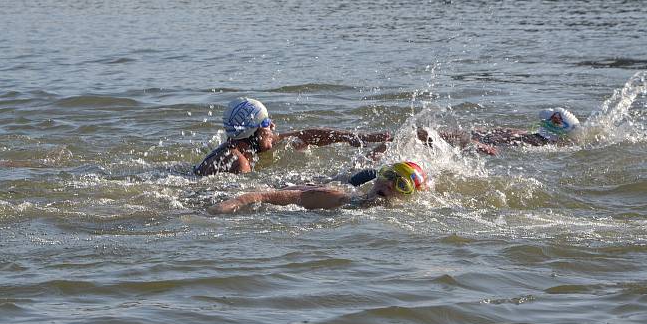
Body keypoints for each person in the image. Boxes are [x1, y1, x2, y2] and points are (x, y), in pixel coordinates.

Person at [194, 97, 392, 176]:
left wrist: (360, 138)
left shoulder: (241, 145)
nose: (272, 125)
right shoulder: (238, 162)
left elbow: (305, 135)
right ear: (252, 131)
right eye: (266, 123)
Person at [207, 161, 427, 214]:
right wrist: (234, 203)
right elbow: (263, 195)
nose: (389, 183)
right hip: (292, 186)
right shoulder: (335, 198)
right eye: (388, 175)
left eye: (401, 184)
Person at [418, 107, 581, 155]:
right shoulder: (538, 141)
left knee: (444, 135)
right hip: (484, 140)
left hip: (484, 139)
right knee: (453, 137)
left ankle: (422, 135)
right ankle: (424, 136)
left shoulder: (532, 137)